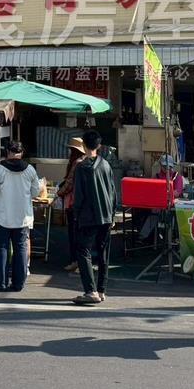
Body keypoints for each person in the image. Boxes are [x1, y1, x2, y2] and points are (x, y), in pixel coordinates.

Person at [0, 140, 41, 292]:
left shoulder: (0, 169)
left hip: (2, 216)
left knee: (1, 248)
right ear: (21, 153)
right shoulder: (29, 170)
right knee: (20, 248)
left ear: (8, 152)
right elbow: (36, 191)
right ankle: (18, 283)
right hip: (22, 216)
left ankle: (0, 283)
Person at [71, 130, 116, 306]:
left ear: (83, 145)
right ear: (99, 146)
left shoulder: (82, 167)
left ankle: (90, 290)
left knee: (83, 251)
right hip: (106, 214)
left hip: (88, 215)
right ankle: (102, 290)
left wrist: (76, 213)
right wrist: (112, 214)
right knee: (103, 252)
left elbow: (79, 195)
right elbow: (113, 192)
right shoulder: (106, 165)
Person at [56, 136, 86, 272]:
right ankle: (80, 260)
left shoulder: (77, 163)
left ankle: (75, 261)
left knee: (73, 233)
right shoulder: (87, 161)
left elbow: (69, 183)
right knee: (81, 234)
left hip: (73, 202)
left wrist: (59, 193)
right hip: (83, 203)